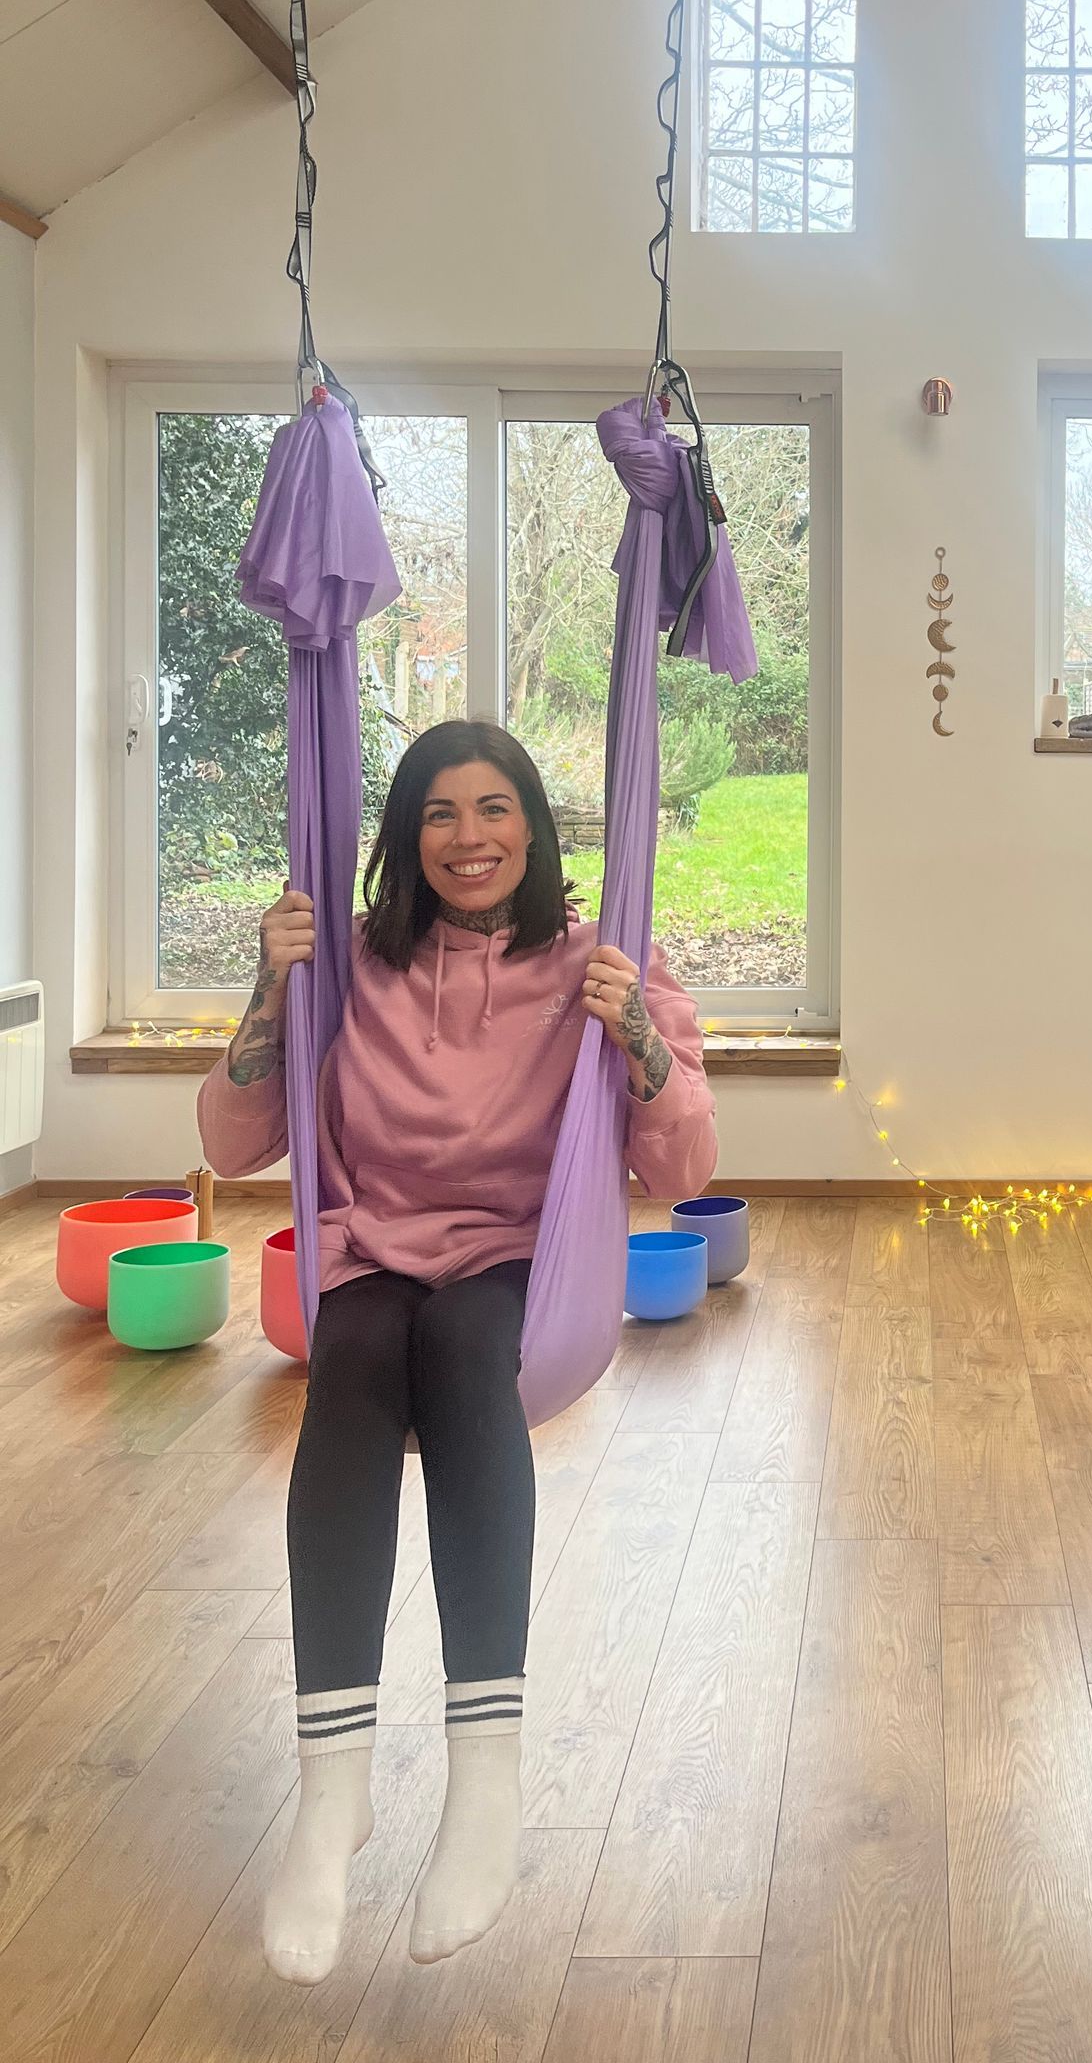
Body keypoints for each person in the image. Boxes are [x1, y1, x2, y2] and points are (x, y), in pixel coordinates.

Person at [198, 720, 717, 1985]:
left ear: (533, 827)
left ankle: (486, 1773)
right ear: (405, 837)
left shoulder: (601, 960)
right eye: (439, 812)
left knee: (468, 1347)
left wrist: (636, 1039)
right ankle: (333, 1789)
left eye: (494, 809)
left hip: (515, 1260)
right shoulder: (353, 965)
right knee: (354, 1371)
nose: (469, 836)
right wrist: (271, 986)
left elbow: (687, 1164)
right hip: (373, 1245)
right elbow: (230, 1138)